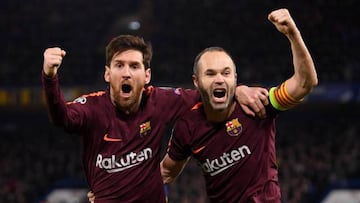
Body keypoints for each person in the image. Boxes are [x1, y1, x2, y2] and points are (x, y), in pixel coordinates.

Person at [42, 34, 268, 202]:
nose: (127, 73)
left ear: (146, 75)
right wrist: (50, 78)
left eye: (134, 66)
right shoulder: (92, 108)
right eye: (119, 66)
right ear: (107, 73)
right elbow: (62, 118)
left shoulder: (159, 101)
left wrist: (237, 89)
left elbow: (208, 92)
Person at [160, 8, 318, 203]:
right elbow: (166, 172)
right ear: (196, 81)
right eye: (210, 74)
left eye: (225, 73)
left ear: (234, 78)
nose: (219, 79)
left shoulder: (258, 103)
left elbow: (304, 83)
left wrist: (293, 34)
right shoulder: (187, 127)